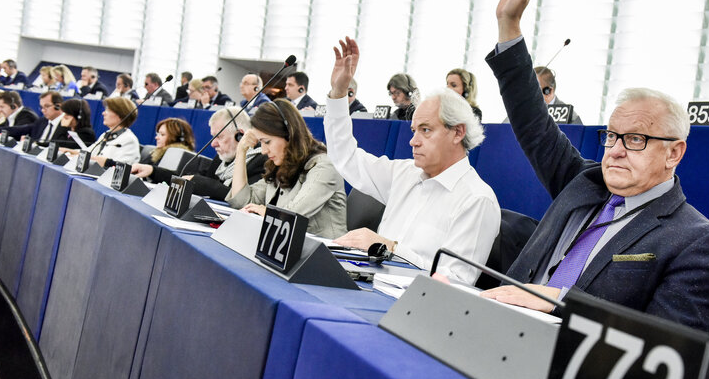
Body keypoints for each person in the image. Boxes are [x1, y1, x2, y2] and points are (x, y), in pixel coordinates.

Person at [479, 0, 709, 333]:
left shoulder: (698, 242)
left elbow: (668, 346)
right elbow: (533, 122)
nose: (615, 149)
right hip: (490, 333)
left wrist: (559, 303)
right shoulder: (583, 182)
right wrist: (509, 24)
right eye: (613, 136)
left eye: (635, 139)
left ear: (674, 152)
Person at [325, 37, 500, 285]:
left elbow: (454, 282)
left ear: (458, 133)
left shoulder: (476, 199)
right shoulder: (404, 173)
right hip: (366, 287)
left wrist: (389, 248)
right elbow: (345, 157)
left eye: (426, 130)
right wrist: (339, 93)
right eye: (414, 131)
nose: (413, 141)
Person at [226, 99, 347, 238]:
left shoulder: (324, 166)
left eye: (267, 142)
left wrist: (263, 211)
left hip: (324, 254)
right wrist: (241, 152)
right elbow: (241, 201)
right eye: (261, 142)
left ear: (289, 134)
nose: (263, 150)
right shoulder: (281, 163)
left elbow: (293, 214)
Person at [132, 107, 266, 200]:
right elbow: (191, 178)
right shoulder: (222, 159)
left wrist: (201, 183)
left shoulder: (260, 160)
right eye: (213, 137)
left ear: (240, 136)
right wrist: (153, 171)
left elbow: (239, 197)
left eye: (219, 137)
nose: (213, 144)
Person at [83, 97, 141, 167]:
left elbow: (122, 168)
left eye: (108, 110)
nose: (103, 113)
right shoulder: (106, 134)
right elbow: (89, 152)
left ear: (121, 114)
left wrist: (106, 162)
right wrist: (71, 152)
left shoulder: (129, 140)